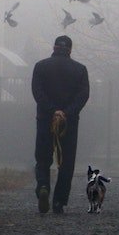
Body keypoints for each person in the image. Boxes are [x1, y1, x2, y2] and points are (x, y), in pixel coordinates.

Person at [32, 35, 89, 214]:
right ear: (70, 50)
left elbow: (37, 92)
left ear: (54, 47)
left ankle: (43, 186)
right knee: (66, 162)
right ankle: (59, 202)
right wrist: (66, 112)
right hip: (69, 123)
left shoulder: (40, 67)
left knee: (42, 159)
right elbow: (83, 95)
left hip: (45, 120)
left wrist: (52, 111)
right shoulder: (80, 70)